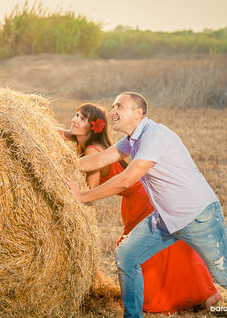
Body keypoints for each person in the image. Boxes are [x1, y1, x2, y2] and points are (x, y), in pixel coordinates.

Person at [64, 94, 227, 317]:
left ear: (138, 113)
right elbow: (100, 159)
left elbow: (126, 180)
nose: (112, 112)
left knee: (223, 274)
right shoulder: (131, 140)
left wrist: (83, 196)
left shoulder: (154, 136)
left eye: (119, 106)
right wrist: (59, 164)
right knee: (126, 255)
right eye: (112, 107)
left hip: (198, 217)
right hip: (165, 219)